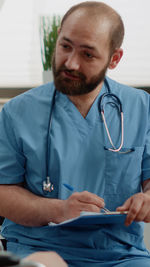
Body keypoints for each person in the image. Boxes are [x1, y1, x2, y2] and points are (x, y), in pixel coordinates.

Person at [0, 1, 150, 266]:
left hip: (120, 253)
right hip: (37, 248)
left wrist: (147, 200)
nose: (70, 63)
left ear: (114, 59)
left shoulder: (141, 108)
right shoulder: (16, 112)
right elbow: (3, 191)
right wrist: (60, 210)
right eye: (65, 46)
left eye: (88, 55)